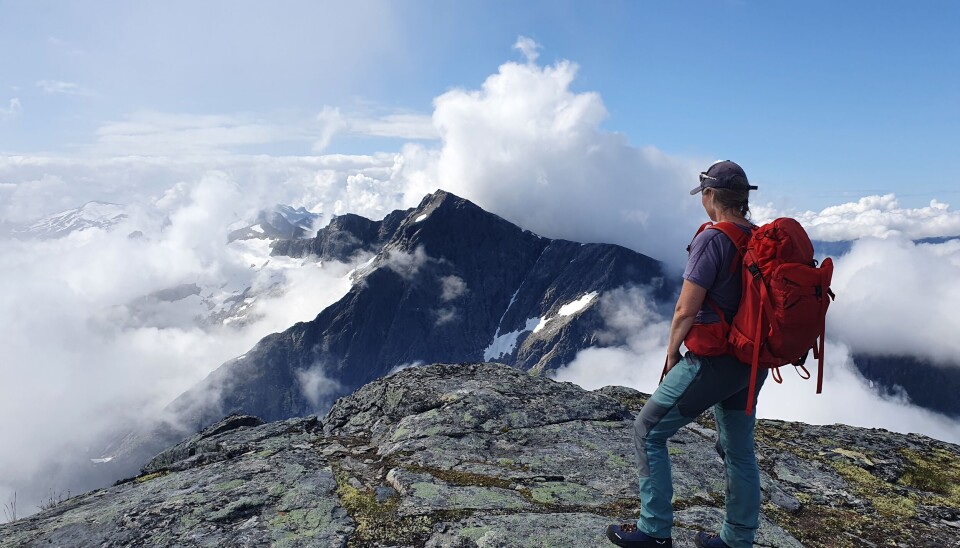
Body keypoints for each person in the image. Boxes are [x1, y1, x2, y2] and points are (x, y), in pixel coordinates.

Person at [606, 160, 767, 548]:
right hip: (753, 363)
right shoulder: (761, 239)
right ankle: (737, 540)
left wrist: (672, 352)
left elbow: (685, 309)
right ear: (744, 199)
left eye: (704, 194)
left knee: (647, 430)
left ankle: (654, 530)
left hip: (712, 362)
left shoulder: (714, 239)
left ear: (709, 196)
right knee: (738, 449)